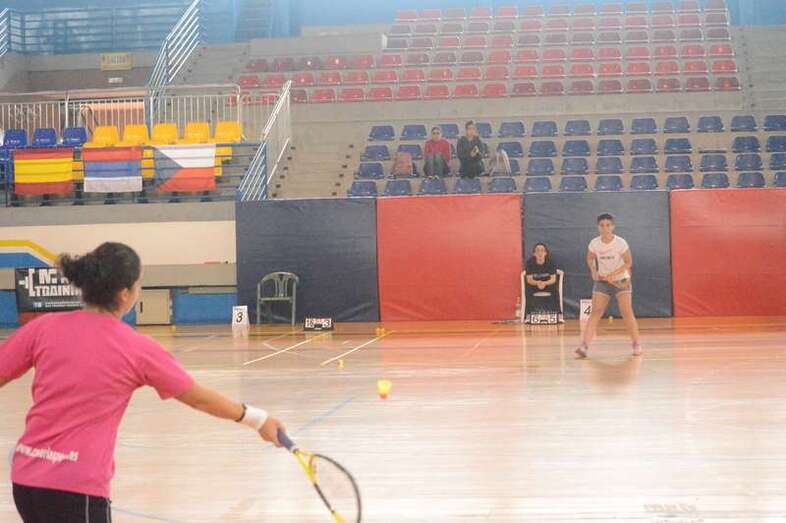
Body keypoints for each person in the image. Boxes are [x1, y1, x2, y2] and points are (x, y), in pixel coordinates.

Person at [0, 242, 286, 523]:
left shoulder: (44, 327)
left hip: (26, 481)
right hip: (75, 488)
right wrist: (258, 420)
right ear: (125, 293)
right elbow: (197, 397)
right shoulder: (136, 348)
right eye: (138, 284)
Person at [576, 214, 642, 359]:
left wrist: (614, 274)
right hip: (603, 281)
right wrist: (593, 270)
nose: (605, 228)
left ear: (613, 227)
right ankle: (584, 346)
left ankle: (636, 343)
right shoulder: (594, 243)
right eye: (602, 225)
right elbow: (590, 258)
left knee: (626, 312)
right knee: (596, 312)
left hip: (621, 280)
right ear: (598, 227)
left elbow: (628, 262)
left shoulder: (620, 243)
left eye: (608, 225)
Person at [524, 242, 560, 322]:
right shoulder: (530, 263)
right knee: (528, 290)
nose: (540, 253)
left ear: (545, 253)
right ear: (534, 254)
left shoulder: (550, 262)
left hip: (547, 284)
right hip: (534, 284)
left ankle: (559, 315)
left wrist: (544, 283)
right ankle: (528, 316)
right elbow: (529, 280)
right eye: (537, 251)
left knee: (555, 290)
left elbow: (553, 279)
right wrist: (538, 283)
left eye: (542, 250)